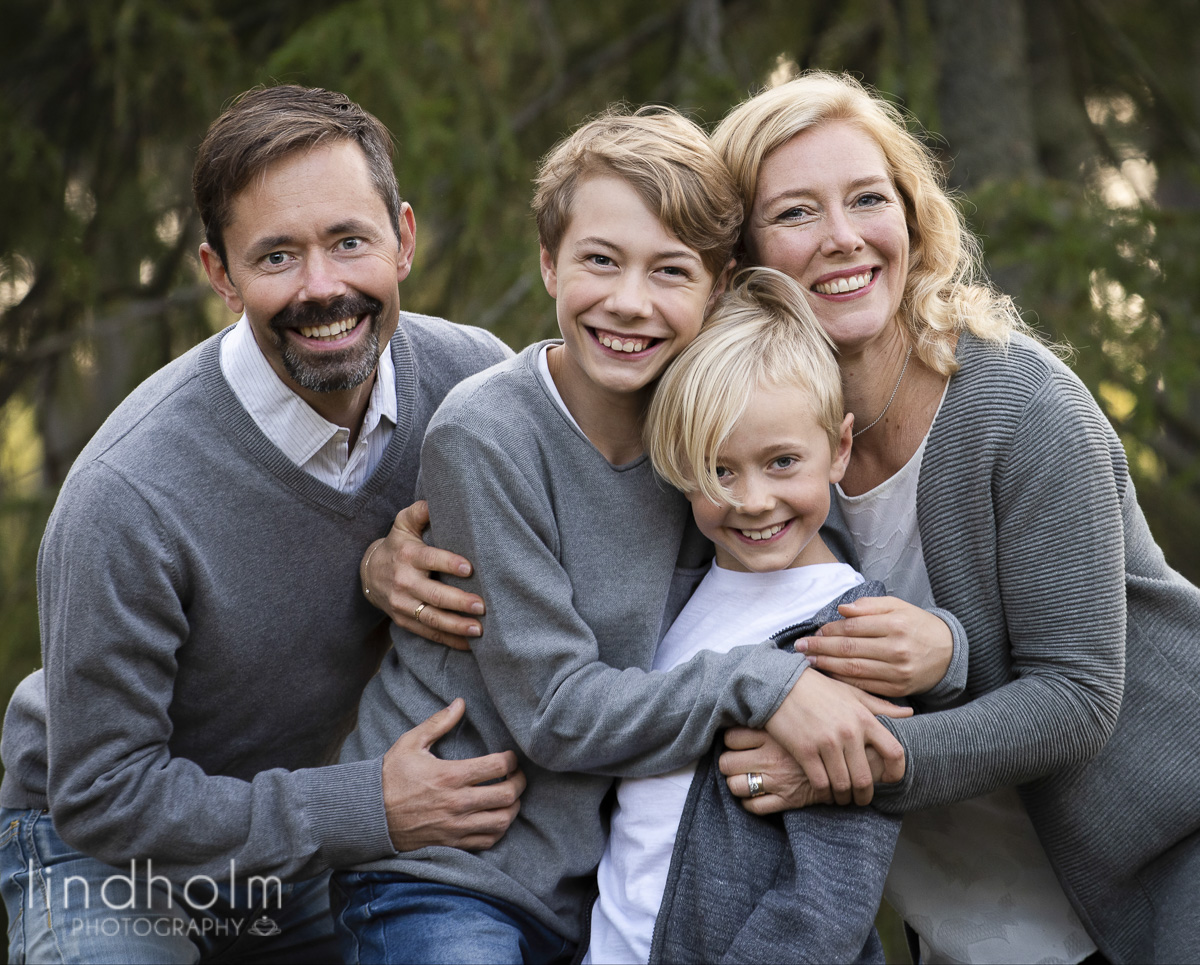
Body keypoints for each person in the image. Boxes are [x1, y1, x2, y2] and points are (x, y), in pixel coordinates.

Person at [336, 108, 920, 965]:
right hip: (447, 871)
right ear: (548, 263)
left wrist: (946, 643)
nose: (630, 302)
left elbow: (806, 571)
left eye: (670, 271)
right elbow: (558, 713)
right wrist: (761, 682)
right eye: (600, 261)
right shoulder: (488, 435)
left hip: (598, 891)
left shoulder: (705, 432)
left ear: (717, 285)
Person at [0, 85, 524, 964]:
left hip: (319, 840)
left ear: (403, 238)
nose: (322, 288)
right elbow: (101, 791)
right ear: (219, 274)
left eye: (348, 242)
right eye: (277, 256)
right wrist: (368, 808)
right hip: (109, 853)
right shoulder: (129, 491)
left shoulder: (472, 387)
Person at [707, 71, 1200, 964]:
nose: (844, 238)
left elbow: (1076, 699)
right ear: (737, 258)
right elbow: (587, 423)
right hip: (971, 921)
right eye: (796, 214)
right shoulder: (740, 461)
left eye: (868, 199)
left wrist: (846, 764)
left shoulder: (1023, 410)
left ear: (914, 218)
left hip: (1164, 877)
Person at [584, 266, 904, 965]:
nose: (753, 500)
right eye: (719, 470)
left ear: (839, 448)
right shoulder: (668, 597)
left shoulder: (852, 632)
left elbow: (826, 902)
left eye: (783, 461)